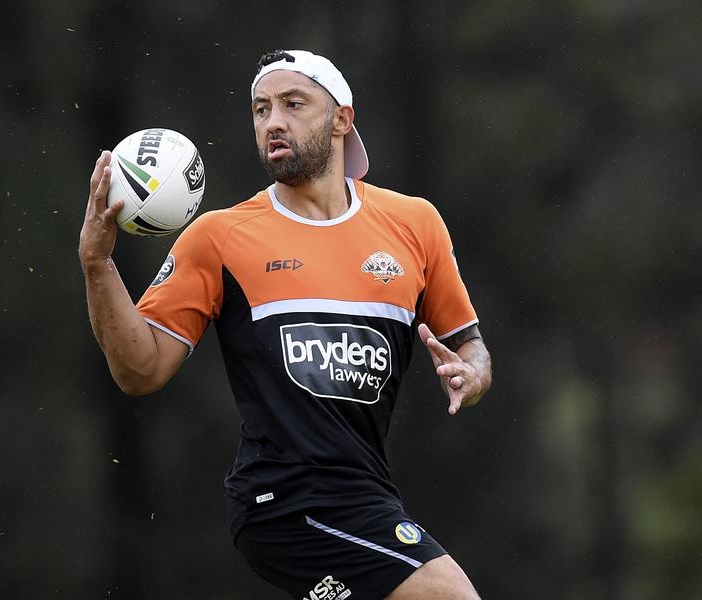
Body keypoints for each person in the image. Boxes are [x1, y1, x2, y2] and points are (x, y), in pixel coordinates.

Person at [79, 49, 492, 600]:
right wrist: (97, 264)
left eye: (293, 104)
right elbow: (141, 370)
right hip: (286, 501)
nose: (272, 122)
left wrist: (472, 373)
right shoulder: (219, 237)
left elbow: (471, 345)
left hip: (368, 495)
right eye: (260, 109)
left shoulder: (414, 224)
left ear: (342, 118)